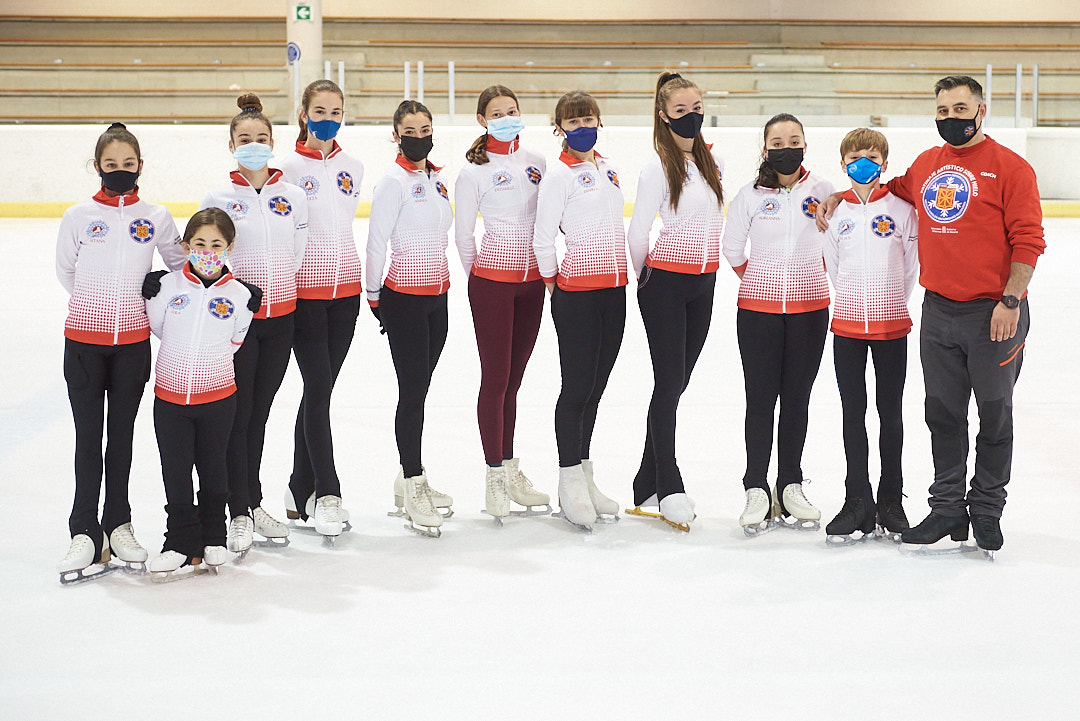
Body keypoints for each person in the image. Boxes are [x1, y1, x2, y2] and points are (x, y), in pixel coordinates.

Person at [817, 76, 1045, 556]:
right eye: (942, 110)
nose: (950, 118)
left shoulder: (1011, 168)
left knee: (994, 413)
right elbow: (881, 191)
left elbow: (1028, 240)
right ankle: (946, 508)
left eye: (960, 108)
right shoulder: (927, 164)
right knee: (942, 413)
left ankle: (985, 509)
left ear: (982, 111)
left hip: (993, 312)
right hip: (938, 309)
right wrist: (839, 195)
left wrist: (1010, 300)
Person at [55, 122, 187, 584]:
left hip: (132, 346)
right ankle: (85, 531)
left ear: (140, 167)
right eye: (111, 165)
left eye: (127, 164)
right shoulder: (77, 216)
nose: (119, 171)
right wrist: (95, 308)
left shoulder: (156, 216)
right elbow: (67, 271)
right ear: (98, 167)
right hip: (84, 346)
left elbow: (179, 266)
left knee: (123, 439)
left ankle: (119, 522)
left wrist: (154, 290)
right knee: (87, 439)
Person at [200, 94, 308, 550]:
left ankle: (250, 500)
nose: (254, 145)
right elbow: (209, 258)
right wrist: (238, 293)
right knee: (238, 416)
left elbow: (297, 252)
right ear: (231, 145)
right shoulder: (220, 198)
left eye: (261, 138)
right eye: (245, 139)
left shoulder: (292, 195)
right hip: (238, 325)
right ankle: (238, 509)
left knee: (259, 414)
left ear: (272, 141)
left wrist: (278, 289)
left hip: (281, 318)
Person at [721, 113, 835, 536]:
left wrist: (810, 277)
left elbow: (837, 241)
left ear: (805, 144)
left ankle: (790, 484)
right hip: (757, 314)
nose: (786, 146)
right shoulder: (749, 195)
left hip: (810, 312)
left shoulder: (823, 190)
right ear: (765, 148)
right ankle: (756, 486)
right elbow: (732, 250)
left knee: (798, 399)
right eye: (777, 140)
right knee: (761, 398)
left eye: (795, 139)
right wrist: (763, 282)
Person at [624, 72, 725, 532]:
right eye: (681, 111)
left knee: (678, 382)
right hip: (664, 284)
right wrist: (648, 279)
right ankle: (669, 483)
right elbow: (637, 231)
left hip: (703, 285)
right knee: (668, 383)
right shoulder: (657, 167)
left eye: (696, 107)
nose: (691, 116)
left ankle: (645, 478)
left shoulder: (712, 162)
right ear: (664, 116)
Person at [454, 85, 552, 523]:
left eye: (513, 111)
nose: (507, 117)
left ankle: (510, 467)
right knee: (494, 379)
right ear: (482, 120)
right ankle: (493, 472)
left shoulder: (537, 163)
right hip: (492, 286)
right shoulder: (472, 172)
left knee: (514, 379)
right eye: (498, 113)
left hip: (533, 285)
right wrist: (484, 276)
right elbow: (462, 236)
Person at [533, 90, 626, 532]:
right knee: (576, 387)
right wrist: (555, 284)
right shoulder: (558, 176)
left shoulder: (607, 169)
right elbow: (542, 236)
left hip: (614, 291)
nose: (583, 127)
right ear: (560, 129)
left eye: (589, 118)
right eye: (573, 122)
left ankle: (585, 473)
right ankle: (568, 478)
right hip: (576, 294)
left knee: (597, 386)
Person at [145, 209, 255, 581]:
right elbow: (160, 328)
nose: (207, 251)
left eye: (216, 245)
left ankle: (213, 536)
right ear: (187, 244)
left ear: (229, 247)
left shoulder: (241, 296)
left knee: (213, 470)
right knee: (176, 472)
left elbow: (235, 341)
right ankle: (178, 542)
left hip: (218, 399)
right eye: (200, 243)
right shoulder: (167, 287)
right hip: (171, 400)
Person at [821, 128, 918, 545]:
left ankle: (891, 501)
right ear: (843, 163)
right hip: (846, 327)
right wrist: (856, 302)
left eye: (872, 155)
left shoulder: (901, 210)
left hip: (891, 325)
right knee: (852, 412)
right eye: (855, 155)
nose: (864, 161)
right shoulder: (835, 212)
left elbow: (911, 268)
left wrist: (888, 302)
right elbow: (834, 266)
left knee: (890, 412)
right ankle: (856, 499)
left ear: (884, 163)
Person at [366, 100, 455, 538]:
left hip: (437, 298)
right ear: (396, 135)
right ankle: (413, 479)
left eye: (426, 128)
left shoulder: (437, 179)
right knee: (413, 391)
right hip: (402, 299)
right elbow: (376, 241)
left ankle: (409, 478)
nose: (420, 136)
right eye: (411, 130)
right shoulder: (392, 182)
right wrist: (374, 296)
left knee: (421, 387)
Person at [278, 79, 363, 534]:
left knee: (319, 391)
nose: (328, 118)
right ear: (304, 113)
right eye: (320, 110)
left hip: (345, 294)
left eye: (335, 111)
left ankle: (297, 486)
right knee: (318, 388)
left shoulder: (355, 167)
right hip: (305, 297)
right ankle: (326, 492)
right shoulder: (287, 170)